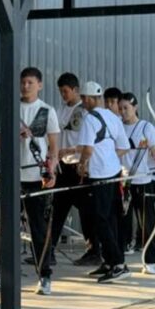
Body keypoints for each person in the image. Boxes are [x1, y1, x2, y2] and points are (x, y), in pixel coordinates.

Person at [0, 68, 58, 295]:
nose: (25, 86)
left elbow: (53, 147)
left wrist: (51, 171)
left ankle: (45, 276)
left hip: (36, 177)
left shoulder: (47, 111)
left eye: (30, 82)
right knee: (5, 229)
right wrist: (14, 136)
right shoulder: (11, 108)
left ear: (40, 85)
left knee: (38, 229)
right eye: (22, 82)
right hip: (11, 176)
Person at [75, 81, 131, 283]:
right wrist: (109, 158)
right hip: (114, 173)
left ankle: (117, 264)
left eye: (84, 98)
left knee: (101, 220)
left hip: (99, 175)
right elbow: (123, 146)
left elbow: (87, 150)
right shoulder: (113, 117)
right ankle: (110, 262)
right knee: (112, 218)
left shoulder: (90, 119)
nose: (83, 101)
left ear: (91, 99)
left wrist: (82, 165)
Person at [49, 73, 100, 267]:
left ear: (76, 90)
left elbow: (88, 143)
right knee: (57, 210)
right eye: (61, 92)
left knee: (87, 212)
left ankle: (94, 251)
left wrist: (72, 153)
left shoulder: (84, 112)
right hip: (62, 166)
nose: (63, 95)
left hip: (79, 166)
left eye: (66, 91)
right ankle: (48, 251)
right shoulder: (60, 110)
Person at [120, 92, 155, 274]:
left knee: (147, 222)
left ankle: (152, 261)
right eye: (120, 108)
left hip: (142, 180)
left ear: (135, 107)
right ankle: (117, 261)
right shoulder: (117, 126)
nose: (123, 112)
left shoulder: (145, 127)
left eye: (126, 108)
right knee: (119, 221)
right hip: (122, 180)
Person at [103, 87, 133, 256]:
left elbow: (124, 147)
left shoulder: (119, 122)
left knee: (120, 211)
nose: (110, 105)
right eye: (107, 101)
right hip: (107, 172)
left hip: (120, 173)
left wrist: (108, 157)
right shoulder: (103, 120)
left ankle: (122, 245)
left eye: (113, 102)